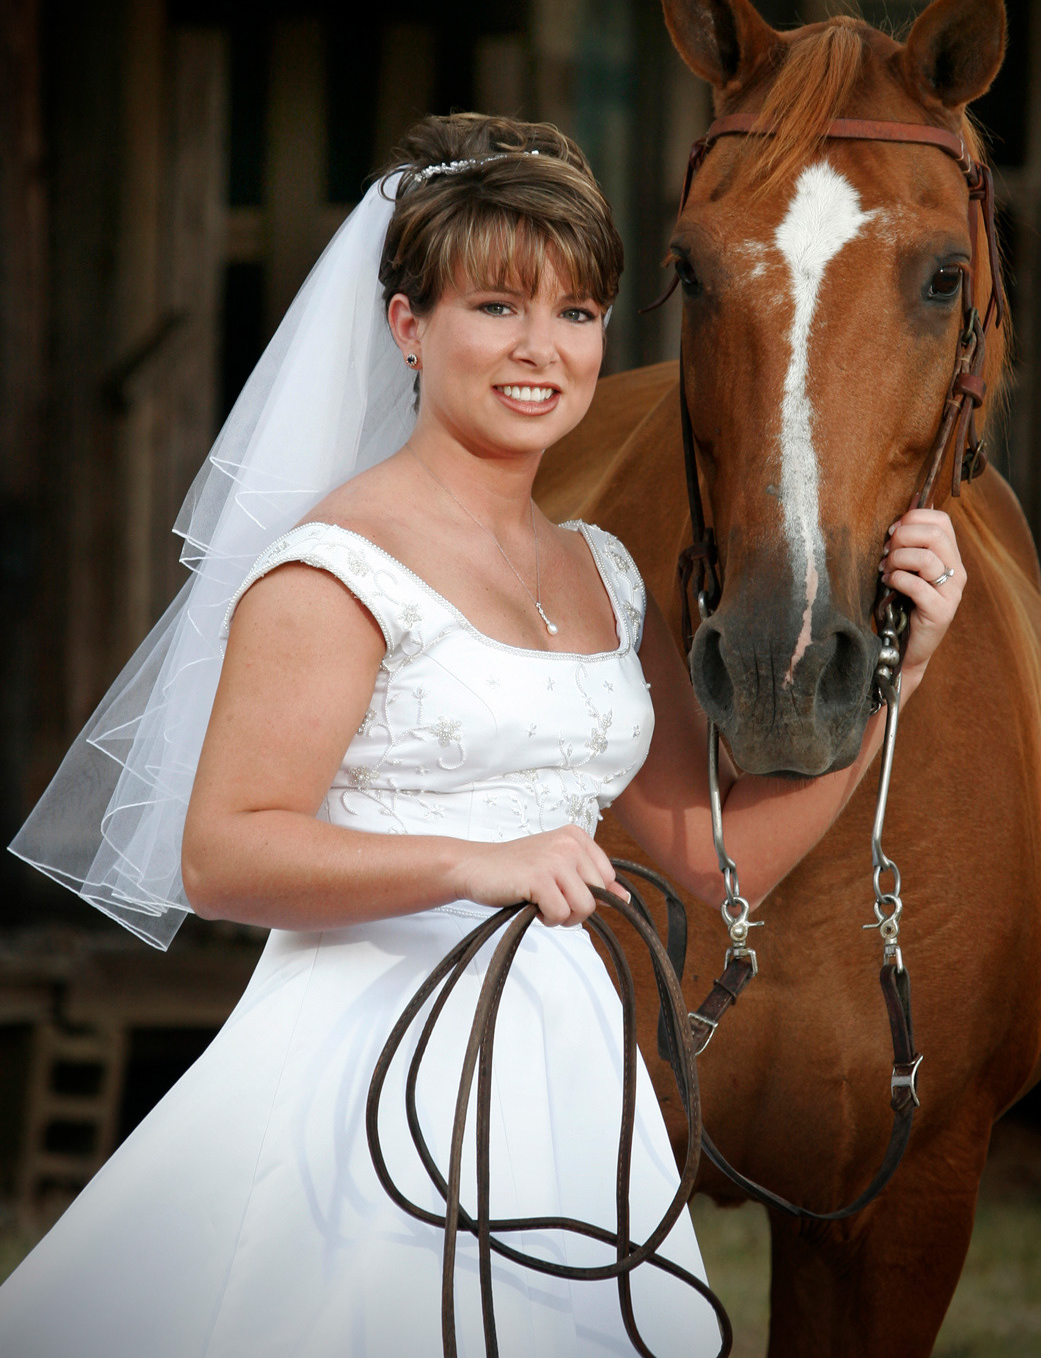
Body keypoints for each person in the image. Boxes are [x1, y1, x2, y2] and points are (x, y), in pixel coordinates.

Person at [0, 113, 965, 1356]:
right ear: (408, 326)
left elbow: (721, 861)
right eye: (497, 307)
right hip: (361, 1079)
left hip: (571, 1079)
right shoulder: (336, 567)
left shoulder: (605, 576)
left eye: (576, 312)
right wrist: (480, 861)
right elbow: (223, 854)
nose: (541, 349)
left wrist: (898, 675)